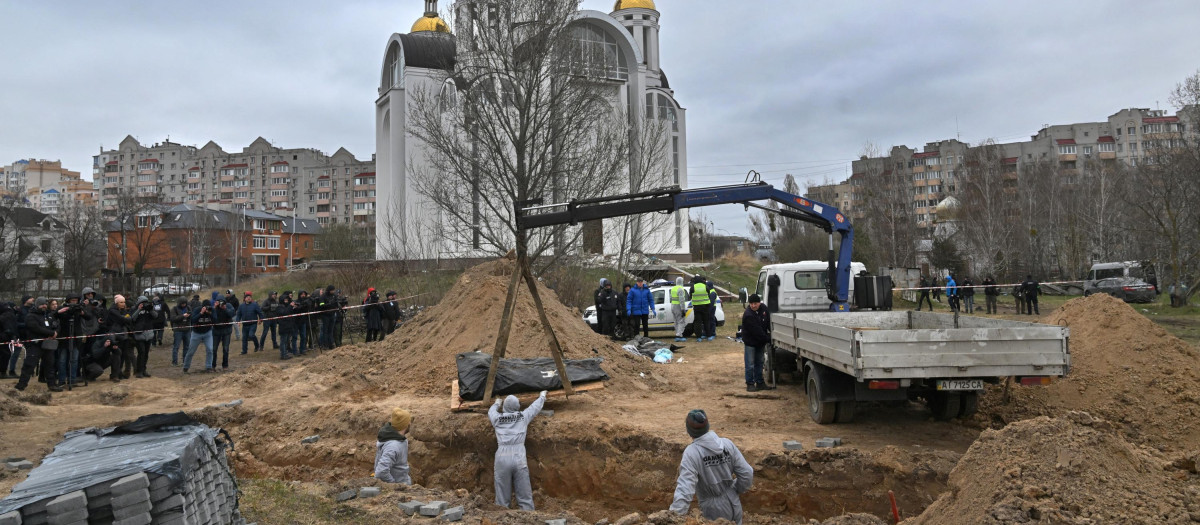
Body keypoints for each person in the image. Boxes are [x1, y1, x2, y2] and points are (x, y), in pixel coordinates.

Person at [669, 410, 753, 524]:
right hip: (734, 503)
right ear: (707, 426)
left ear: (689, 431)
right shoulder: (727, 444)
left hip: (713, 510)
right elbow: (747, 473)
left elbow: (685, 489)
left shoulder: (691, 453)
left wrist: (673, 517)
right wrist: (734, 490)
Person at [488, 391, 547, 510]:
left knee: (502, 497)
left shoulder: (498, 419)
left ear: (505, 407)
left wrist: (497, 403)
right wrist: (542, 396)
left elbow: (491, 412)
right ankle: (529, 518)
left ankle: (502, 519)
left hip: (502, 456)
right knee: (524, 495)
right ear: (517, 406)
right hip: (518, 456)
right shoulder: (523, 416)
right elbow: (534, 408)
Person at [16, 298, 60, 392]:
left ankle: (52, 385)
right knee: (29, 365)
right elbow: (35, 328)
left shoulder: (48, 315)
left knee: (50, 365)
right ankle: (21, 386)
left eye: (45, 304)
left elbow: (55, 326)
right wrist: (50, 333)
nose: (44, 306)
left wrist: (55, 332)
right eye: (41, 304)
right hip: (35, 345)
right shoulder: (31, 316)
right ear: (37, 305)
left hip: (48, 345)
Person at [55, 293, 93, 388]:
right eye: (72, 300)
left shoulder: (78, 308)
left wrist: (82, 312)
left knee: (74, 360)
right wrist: (63, 311)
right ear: (68, 300)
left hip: (76, 338)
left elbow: (89, 317)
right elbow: (55, 315)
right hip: (64, 337)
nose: (74, 302)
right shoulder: (62, 308)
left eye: (76, 300)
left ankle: (72, 379)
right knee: (62, 360)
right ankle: (62, 380)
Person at [741, 294, 772, 392]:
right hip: (751, 342)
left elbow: (768, 322)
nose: (753, 305)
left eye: (755, 303)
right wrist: (768, 338)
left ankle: (760, 382)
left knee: (760, 362)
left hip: (760, 343)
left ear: (759, 302)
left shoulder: (764, 309)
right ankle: (750, 384)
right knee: (750, 364)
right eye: (751, 304)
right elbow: (757, 332)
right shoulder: (748, 315)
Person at [374, 407, 413, 484]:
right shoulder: (393, 446)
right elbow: (381, 472)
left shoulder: (400, 439)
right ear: (405, 425)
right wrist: (394, 485)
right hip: (399, 489)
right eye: (409, 421)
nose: (410, 423)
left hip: (403, 483)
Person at [183, 300, 216, 374]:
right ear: (202, 307)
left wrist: (209, 314)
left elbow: (215, 321)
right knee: (191, 351)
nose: (207, 308)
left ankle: (209, 367)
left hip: (208, 332)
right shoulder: (197, 310)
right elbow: (193, 320)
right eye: (205, 307)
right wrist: (201, 313)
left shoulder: (212, 310)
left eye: (208, 307)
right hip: (196, 333)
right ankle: (186, 366)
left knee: (210, 349)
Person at [107, 295, 135, 380]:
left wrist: (126, 317)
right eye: (121, 302)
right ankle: (114, 374)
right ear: (117, 303)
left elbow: (129, 318)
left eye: (124, 302)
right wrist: (125, 318)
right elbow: (124, 319)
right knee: (117, 355)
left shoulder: (122, 311)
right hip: (115, 335)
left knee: (123, 355)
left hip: (123, 335)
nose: (123, 304)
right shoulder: (112, 311)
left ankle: (119, 373)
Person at [131, 296, 159, 378]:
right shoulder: (134, 308)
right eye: (143, 303)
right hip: (139, 334)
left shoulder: (149, 309)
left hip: (149, 333)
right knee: (141, 352)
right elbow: (132, 318)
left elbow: (156, 316)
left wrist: (150, 309)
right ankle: (139, 371)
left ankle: (144, 370)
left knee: (146, 353)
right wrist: (138, 309)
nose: (144, 304)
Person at [211, 299, 235, 369]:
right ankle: (213, 365)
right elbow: (213, 317)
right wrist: (215, 308)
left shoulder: (228, 306)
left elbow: (232, 314)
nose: (220, 304)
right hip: (216, 331)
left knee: (225, 348)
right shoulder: (215, 308)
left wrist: (225, 308)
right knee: (214, 349)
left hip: (226, 330)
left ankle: (225, 365)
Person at [690, 276, 713, 342]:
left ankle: (699, 337)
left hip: (697, 307)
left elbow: (690, 296)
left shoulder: (693, 287)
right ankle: (708, 336)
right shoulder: (705, 286)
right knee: (706, 321)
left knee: (698, 322)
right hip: (705, 306)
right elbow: (708, 294)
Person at [170, 299, 191, 366]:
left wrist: (189, 316)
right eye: (182, 304)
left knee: (187, 346)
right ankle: (174, 362)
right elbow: (173, 319)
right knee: (176, 346)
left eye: (185, 303)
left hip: (187, 329)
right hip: (178, 330)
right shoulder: (174, 309)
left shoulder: (188, 308)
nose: (183, 305)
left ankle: (185, 361)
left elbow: (191, 317)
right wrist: (183, 316)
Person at [0, 302, 18, 379]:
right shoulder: (9, 314)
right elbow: (10, 327)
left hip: (5, 336)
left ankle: (3, 372)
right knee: (5, 354)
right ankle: (3, 372)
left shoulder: (5, 314)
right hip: (5, 337)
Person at [670, 277, 689, 342]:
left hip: (673, 305)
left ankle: (677, 333)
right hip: (678, 306)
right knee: (681, 321)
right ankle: (679, 335)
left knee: (676, 321)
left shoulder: (673, 288)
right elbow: (681, 300)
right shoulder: (680, 289)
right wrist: (683, 309)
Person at [277, 296, 296, 360]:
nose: (286, 301)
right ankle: (283, 354)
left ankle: (285, 353)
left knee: (287, 341)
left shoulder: (287, 306)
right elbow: (284, 313)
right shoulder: (279, 307)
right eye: (285, 300)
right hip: (283, 326)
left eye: (287, 300)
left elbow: (290, 313)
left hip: (289, 326)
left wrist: (293, 308)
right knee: (283, 341)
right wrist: (290, 306)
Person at [294, 290, 311, 354]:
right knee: (295, 337)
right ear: (299, 295)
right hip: (296, 321)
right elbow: (296, 309)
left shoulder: (306, 301)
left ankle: (302, 349)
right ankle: (295, 350)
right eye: (302, 294)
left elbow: (309, 307)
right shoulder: (296, 301)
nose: (303, 295)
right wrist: (301, 306)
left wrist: (305, 305)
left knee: (303, 336)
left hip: (303, 321)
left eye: (304, 294)